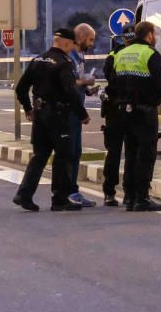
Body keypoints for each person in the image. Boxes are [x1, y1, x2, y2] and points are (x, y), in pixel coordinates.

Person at [12, 29, 91, 212]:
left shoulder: (37, 60)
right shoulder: (64, 63)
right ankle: (59, 199)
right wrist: (83, 114)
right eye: (72, 44)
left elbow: (21, 88)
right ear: (65, 43)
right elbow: (70, 91)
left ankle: (24, 194)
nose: (72, 48)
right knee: (63, 156)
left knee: (39, 156)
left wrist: (28, 108)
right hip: (58, 116)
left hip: (40, 115)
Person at [113, 21, 161, 211]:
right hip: (145, 111)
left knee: (130, 153)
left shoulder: (120, 54)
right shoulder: (150, 54)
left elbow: (113, 84)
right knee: (145, 154)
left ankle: (128, 197)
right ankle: (142, 198)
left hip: (124, 112)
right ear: (150, 35)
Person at [101, 25, 134, 206]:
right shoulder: (139, 53)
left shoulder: (113, 55)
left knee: (113, 152)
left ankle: (109, 192)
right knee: (131, 151)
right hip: (132, 108)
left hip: (114, 107)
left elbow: (108, 77)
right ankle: (129, 193)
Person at [67, 23, 99, 207]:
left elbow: (77, 81)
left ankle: (72, 190)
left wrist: (88, 89)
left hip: (77, 108)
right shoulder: (70, 56)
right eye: (90, 39)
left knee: (76, 151)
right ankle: (69, 192)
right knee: (71, 152)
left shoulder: (79, 56)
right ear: (80, 37)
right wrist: (84, 81)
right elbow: (70, 82)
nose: (92, 44)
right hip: (71, 110)